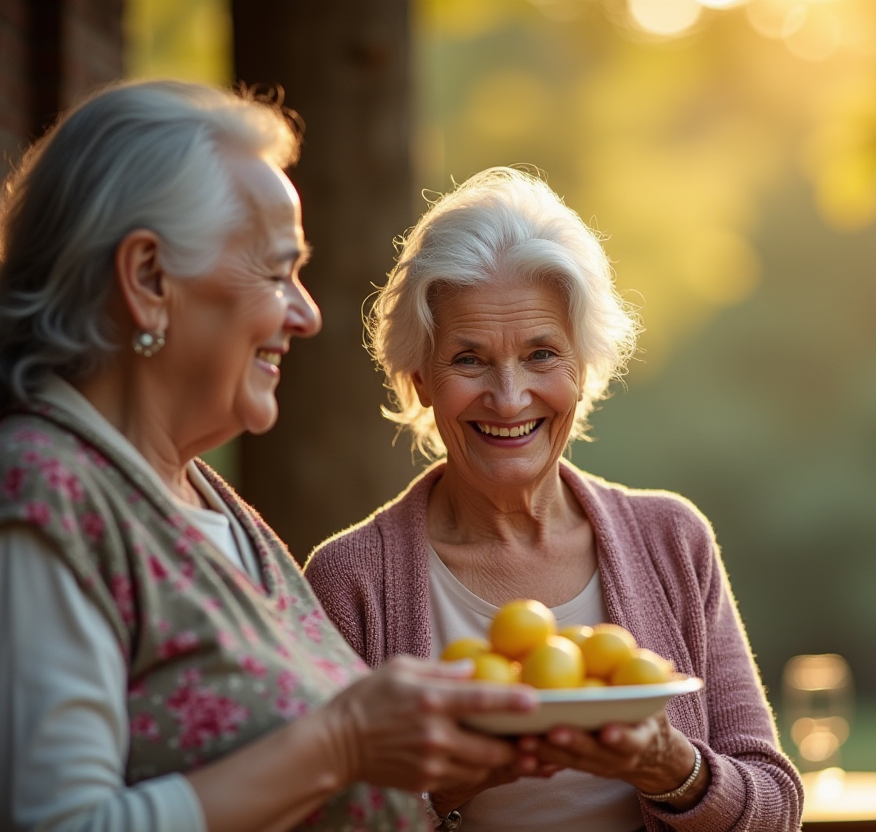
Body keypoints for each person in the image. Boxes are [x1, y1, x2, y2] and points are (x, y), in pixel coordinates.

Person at [0, 81, 539, 832]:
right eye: (278, 270)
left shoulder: (209, 503)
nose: (308, 313)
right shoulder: (42, 490)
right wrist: (346, 739)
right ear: (150, 278)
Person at [304, 167, 804, 832]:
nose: (509, 398)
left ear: (583, 367)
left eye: (542, 354)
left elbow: (777, 807)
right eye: (469, 359)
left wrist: (673, 769)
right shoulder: (350, 581)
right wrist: (446, 792)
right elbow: (318, 822)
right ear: (419, 378)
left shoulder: (673, 541)